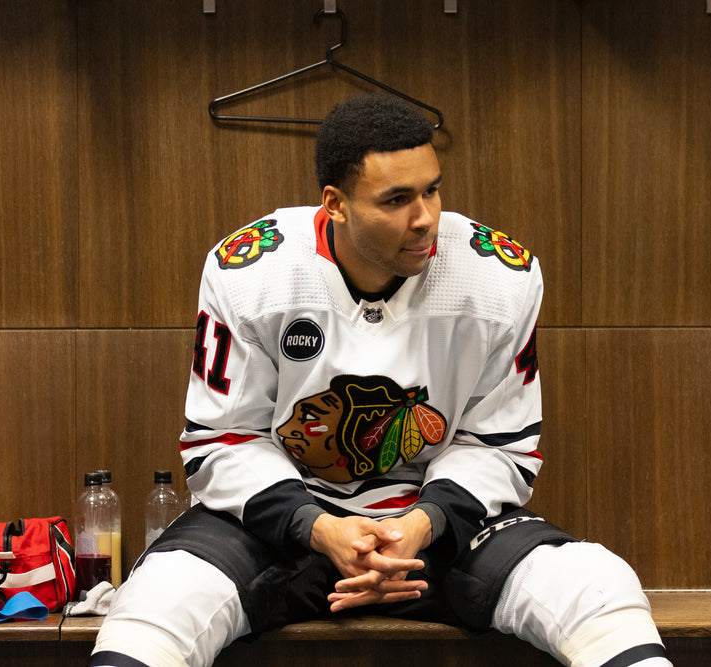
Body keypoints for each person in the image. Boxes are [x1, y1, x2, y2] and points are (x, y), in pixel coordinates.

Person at [90, 94, 671, 667]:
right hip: (287, 519)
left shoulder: (499, 274)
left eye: (432, 190)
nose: (425, 218)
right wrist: (320, 529)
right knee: (156, 602)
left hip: (436, 526)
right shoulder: (252, 270)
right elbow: (225, 438)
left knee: (598, 586)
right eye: (396, 199)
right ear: (335, 204)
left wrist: (419, 526)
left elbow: (498, 445)